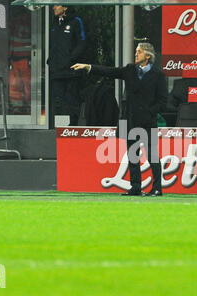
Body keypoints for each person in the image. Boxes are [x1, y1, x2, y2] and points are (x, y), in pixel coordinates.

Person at [72, 43, 168, 196]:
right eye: (136, 51)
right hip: (130, 120)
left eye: (139, 52)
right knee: (132, 156)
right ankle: (135, 188)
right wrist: (88, 66)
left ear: (148, 56)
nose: (136, 54)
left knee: (152, 155)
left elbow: (163, 101)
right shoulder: (129, 70)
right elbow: (110, 71)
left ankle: (157, 188)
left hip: (148, 122)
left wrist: (149, 112)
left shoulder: (158, 75)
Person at [48, 5, 86, 127]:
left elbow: (82, 43)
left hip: (71, 70)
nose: (54, 7)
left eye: (57, 5)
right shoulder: (54, 23)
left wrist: (70, 59)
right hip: (57, 70)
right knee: (59, 98)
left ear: (65, 7)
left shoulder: (76, 21)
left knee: (72, 99)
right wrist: (51, 60)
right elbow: (53, 45)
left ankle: (73, 126)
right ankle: (59, 126)